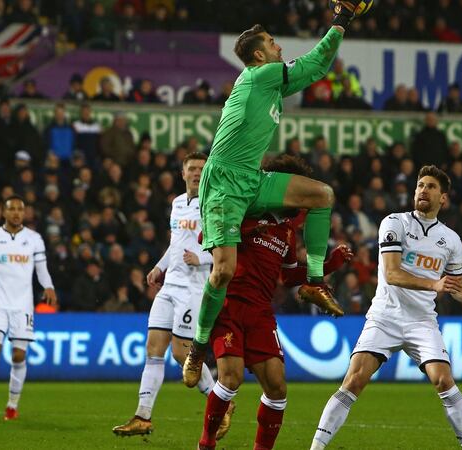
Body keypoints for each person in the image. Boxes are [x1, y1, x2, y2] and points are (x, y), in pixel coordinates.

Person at [181, 1, 369, 388]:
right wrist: (342, 17)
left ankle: (314, 281)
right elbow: (315, 62)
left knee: (321, 195)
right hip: (223, 184)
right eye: (271, 42)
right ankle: (199, 349)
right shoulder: (259, 75)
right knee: (224, 272)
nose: (278, 47)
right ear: (258, 55)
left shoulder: (269, 83)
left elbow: (315, 68)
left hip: (251, 177)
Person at [310, 165, 462, 450]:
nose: (423, 190)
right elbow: (393, 273)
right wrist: (434, 285)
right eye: (420, 185)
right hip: (385, 316)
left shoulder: (452, 240)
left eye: (431, 186)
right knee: (354, 380)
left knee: (444, 381)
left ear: (443, 198)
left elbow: (455, 286)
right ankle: (316, 448)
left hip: (422, 321)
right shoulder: (394, 223)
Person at [198, 155, 353, 450]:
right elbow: (207, 234)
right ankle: (205, 444)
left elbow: (288, 277)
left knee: (278, 388)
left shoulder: (286, 230)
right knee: (230, 379)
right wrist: (246, 231)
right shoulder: (244, 207)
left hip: (260, 312)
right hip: (229, 304)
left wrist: (330, 264)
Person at [112, 152, 230, 437]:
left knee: (181, 353)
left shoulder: (213, 203)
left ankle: (221, 405)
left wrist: (202, 260)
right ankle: (143, 416)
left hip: (194, 287)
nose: (197, 173)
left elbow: (226, 248)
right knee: (153, 349)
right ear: (183, 173)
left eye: (202, 169)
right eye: (192, 169)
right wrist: (158, 267)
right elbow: (176, 244)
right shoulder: (177, 203)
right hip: (170, 286)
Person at [0, 195, 57, 421]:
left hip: (23, 306)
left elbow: (42, 268)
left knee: (19, 356)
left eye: (21, 209)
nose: (17, 213)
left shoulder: (34, 239)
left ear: (25, 212)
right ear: (4, 212)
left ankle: (12, 404)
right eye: (12, 209)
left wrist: (48, 286)